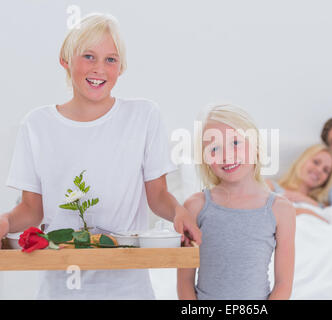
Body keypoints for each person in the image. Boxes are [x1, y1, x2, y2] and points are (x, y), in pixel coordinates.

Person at [0, 13, 201, 299]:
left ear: (121, 68)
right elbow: (32, 210)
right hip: (60, 288)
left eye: (111, 60)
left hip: (128, 289)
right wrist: (5, 221)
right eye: (88, 56)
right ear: (65, 60)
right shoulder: (37, 124)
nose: (99, 69)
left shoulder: (144, 116)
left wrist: (180, 212)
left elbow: (158, 196)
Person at [177, 104, 296, 300]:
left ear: (255, 144)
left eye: (235, 143)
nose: (227, 155)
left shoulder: (280, 210)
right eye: (214, 148)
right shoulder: (195, 206)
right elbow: (184, 282)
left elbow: (283, 284)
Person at [266, 144, 332, 222]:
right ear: (303, 160)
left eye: (325, 170)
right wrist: (301, 211)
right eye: (316, 162)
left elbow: (328, 223)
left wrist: (307, 205)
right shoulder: (272, 187)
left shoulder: (324, 207)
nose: (319, 170)